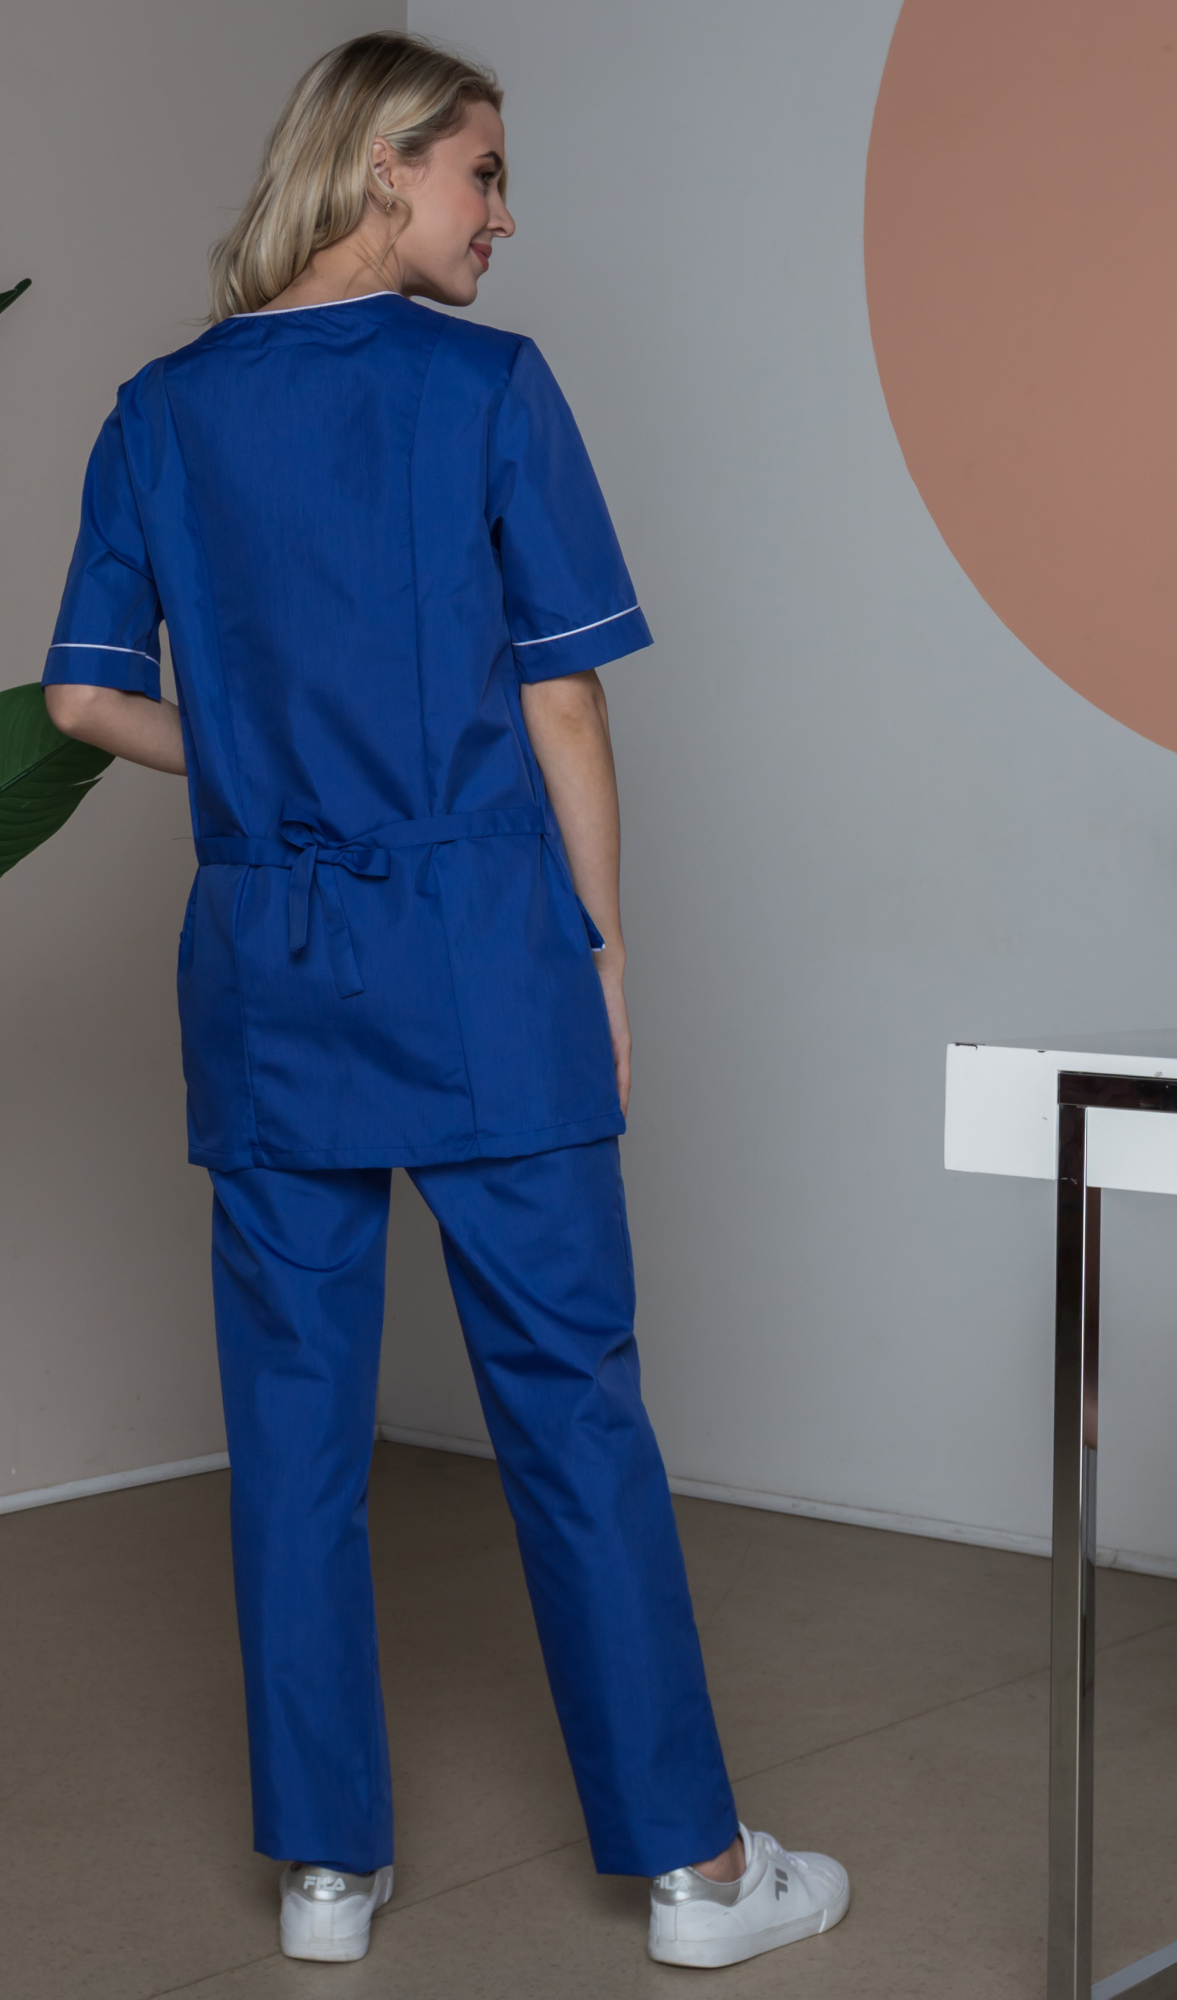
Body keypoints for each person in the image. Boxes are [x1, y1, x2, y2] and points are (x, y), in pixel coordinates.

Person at [43, 29, 848, 1973]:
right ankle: (697, 1876)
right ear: (383, 168)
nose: (503, 215)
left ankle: (325, 1873)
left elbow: (80, 698)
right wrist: (607, 944)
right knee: (572, 1410)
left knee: (291, 1431)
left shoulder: (158, 410)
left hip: (267, 970)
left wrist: (251, 772)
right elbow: (564, 699)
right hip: (485, 956)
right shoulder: (489, 388)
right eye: (483, 172)